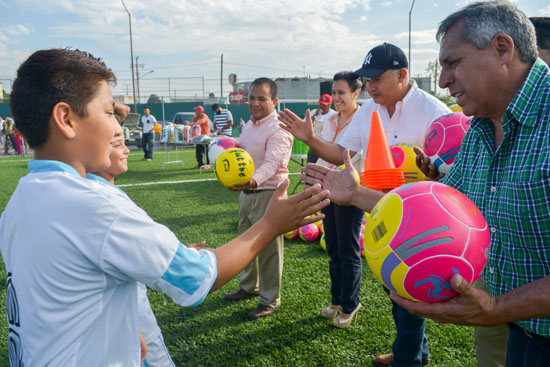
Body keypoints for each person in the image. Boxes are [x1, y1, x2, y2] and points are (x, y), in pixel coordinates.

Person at [0, 48, 329, 366]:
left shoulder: (20, 201)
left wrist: (124, 324)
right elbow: (197, 276)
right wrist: (271, 224)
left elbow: (71, 290)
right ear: (66, 119)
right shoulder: (93, 207)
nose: (118, 128)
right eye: (108, 112)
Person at [305, 2, 550, 367]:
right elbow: (439, 209)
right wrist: (356, 194)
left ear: (503, 49)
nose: (442, 80)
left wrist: (498, 307)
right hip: (521, 333)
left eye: (453, 63)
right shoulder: (481, 131)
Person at [280, 42, 450, 366]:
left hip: (422, 218)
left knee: (406, 291)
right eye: (366, 79)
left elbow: (452, 172)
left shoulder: (433, 113)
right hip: (379, 209)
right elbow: (341, 153)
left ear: (402, 75)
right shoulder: (370, 111)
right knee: (393, 288)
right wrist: (311, 139)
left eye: (377, 79)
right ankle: (417, 351)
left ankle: (408, 358)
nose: (369, 86)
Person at [89, 103, 175, 366]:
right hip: (125, 316)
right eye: (117, 144)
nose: (126, 149)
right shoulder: (104, 207)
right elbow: (195, 277)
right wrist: (269, 225)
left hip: (120, 317)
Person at [224, 77, 294, 319]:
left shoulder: (278, 128)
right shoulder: (249, 125)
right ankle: (248, 286)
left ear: (274, 101)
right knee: (245, 242)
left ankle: (270, 299)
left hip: (269, 194)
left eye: (261, 99)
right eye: (251, 98)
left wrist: (253, 181)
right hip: (247, 193)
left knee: (268, 249)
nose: (255, 103)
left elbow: (273, 164)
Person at [315, 72, 364, 328]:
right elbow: (323, 154)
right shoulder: (328, 121)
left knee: (348, 248)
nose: (335, 98)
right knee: (333, 246)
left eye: (341, 93)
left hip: (351, 192)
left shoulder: (364, 120)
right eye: (334, 92)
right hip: (327, 190)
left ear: (356, 93)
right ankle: (336, 299)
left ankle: (350, 303)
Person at [307, 93, 337, 165]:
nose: (321, 106)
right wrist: (315, 116)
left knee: (323, 170)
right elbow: (306, 124)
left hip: (327, 146)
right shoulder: (314, 112)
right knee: (310, 169)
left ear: (330, 105)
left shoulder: (334, 115)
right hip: (314, 145)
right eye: (320, 104)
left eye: (324, 104)